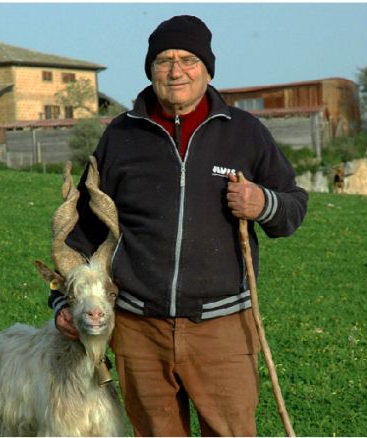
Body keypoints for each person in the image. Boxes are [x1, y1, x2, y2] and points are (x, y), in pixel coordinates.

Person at [48, 14, 308, 436]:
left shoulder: (244, 134)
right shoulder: (121, 136)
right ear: (150, 70)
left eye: (187, 59)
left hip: (223, 329)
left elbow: (293, 208)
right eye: (164, 60)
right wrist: (64, 304)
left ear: (207, 67)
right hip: (138, 330)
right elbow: (82, 234)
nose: (175, 70)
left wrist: (263, 202)